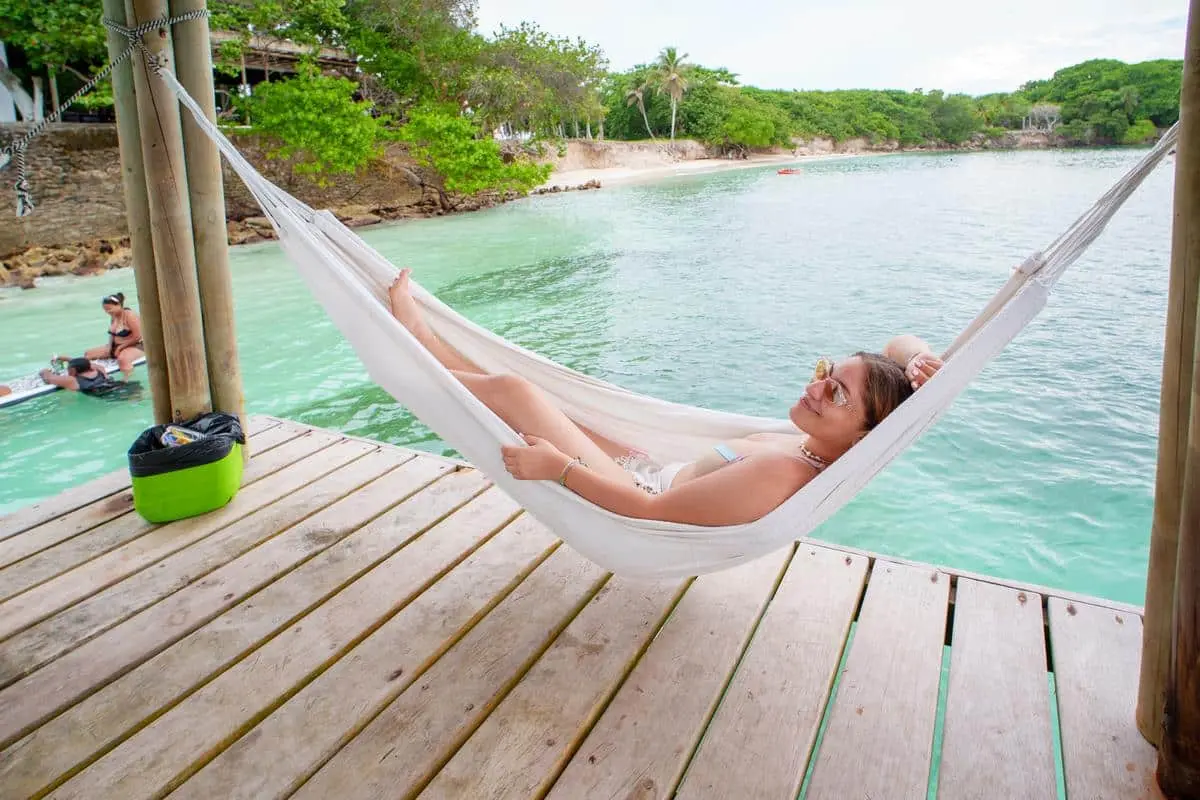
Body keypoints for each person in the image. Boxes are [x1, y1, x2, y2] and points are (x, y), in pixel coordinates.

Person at [387, 268, 944, 526]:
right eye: (826, 370)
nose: (815, 386)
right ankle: (429, 348)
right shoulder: (815, 445)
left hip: (631, 491)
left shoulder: (784, 472)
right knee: (531, 398)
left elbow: (650, 514)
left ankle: (417, 352)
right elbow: (897, 346)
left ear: (866, 433)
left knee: (515, 393)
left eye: (836, 391)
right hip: (646, 466)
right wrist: (918, 359)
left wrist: (558, 469)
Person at [82, 292, 143, 378]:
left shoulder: (130, 315)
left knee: (123, 360)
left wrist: (120, 348)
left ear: (119, 305)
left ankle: (128, 381)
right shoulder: (114, 316)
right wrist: (110, 347)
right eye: (105, 310)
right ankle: (93, 377)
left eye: (109, 309)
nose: (107, 312)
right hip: (117, 346)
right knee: (88, 354)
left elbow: (138, 336)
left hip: (136, 345)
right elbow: (112, 334)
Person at [39, 357, 119, 395]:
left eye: (68, 368)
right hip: (119, 387)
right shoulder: (99, 369)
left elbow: (48, 378)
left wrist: (45, 371)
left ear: (73, 370)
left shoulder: (72, 380)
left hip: (110, 397)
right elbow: (86, 363)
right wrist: (66, 359)